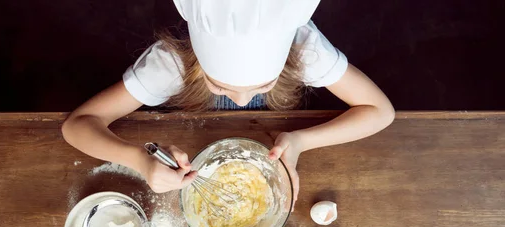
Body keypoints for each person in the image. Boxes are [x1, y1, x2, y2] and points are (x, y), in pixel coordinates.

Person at [62, 0, 394, 205]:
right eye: (219, 85)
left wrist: (301, 140)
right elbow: (78, 125)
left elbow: (380, 112)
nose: (242, 99)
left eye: (264, 85)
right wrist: (138, 159)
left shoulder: (303, 49)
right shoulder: (171, 62)